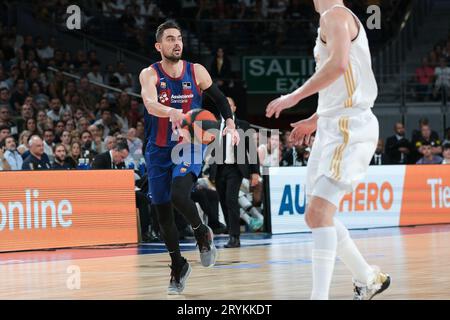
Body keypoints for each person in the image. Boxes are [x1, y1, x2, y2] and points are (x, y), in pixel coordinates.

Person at [265, 0, 390, 300]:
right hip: (332, 124)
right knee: (315, 215)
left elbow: (338, 66)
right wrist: (316, 118)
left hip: (349, 127)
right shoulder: (332, 18)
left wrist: (293, 97)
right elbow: (346, 82)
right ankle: (368, 277)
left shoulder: (336, 15)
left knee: (320, 213)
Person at [139, 20, 239, 294]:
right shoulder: (149, 74)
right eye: (170, 39)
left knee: (178, 194)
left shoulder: (196, 71)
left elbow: (218, 98)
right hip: (158, 149)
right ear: (159, 46)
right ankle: (178, 264)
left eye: (180, 38)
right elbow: (149, 102)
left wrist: (229, 123)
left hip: (189, 144)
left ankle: (201, 232)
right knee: (162, 214)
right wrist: (171, 112)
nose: (177, 43)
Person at [208, 97, 260, 248]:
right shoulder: (215, 126)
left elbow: (251, 150)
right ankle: (231, 233)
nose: (226, 107)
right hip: (219, 169)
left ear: (234, 108)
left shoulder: (243, 125)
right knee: (224, 202)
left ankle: (235, 237)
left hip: (236, 169)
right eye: (223, 105)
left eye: (229, 105)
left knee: (231, 200)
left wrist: (254, 172)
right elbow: (211, 150)